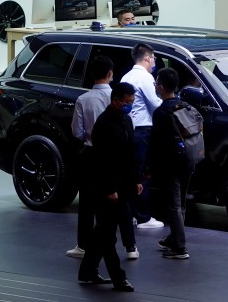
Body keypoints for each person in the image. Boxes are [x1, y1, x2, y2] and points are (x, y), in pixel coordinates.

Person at [67, 56, 138, 261]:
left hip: (92, 154)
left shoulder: (83, 100)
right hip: (119, 156)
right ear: (110, 73)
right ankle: (130, 246)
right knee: (123, 203)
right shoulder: (119, 95)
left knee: (88, 202)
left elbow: (77, 132)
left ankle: (83, 245)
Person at [78, 82, 139, 293]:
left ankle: (87, 271)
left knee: (102, 232)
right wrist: (109, 189)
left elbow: (130, 154)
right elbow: (102, 162)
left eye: (132, 101)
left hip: (122, 186)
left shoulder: (126, 120)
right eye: (127, 101)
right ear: (116, 100)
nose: (130, 105)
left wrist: (136, 180)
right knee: (107, 235)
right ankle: (118, 278)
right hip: (106, 189)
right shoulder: (103, 125)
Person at [145, 68, 193, 260]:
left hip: (170, 164)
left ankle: (180, 248)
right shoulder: (185, 107)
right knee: (181, 204)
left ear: (161, 88)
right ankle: (174, 238)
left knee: (173, 205)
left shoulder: (161, 112)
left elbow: (155, 143)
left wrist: (149, 167)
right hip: (188, 161)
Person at [121, 43, 164, 230]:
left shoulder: (126, 76)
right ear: (147, 58)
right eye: (153, 58)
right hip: (143, 130)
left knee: (130, 173)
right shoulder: (145, 77)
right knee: (143, 174)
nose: (154, 62)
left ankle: (131, 213)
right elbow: (156, 104)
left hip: (128, 129)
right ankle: (143, 217)